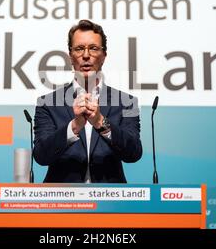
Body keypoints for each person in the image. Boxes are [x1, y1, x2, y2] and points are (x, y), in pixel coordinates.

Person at [33, 19, 143, 183]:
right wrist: (74, 126)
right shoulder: (47, 103)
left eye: (93, 48)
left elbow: (133, 153)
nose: (86, 55)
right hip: (62, 201)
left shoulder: (127, 102)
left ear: (104, 55)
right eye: (79, 49)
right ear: (70, 56)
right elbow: (41, 156)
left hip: (111, 202)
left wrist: (100, 122)